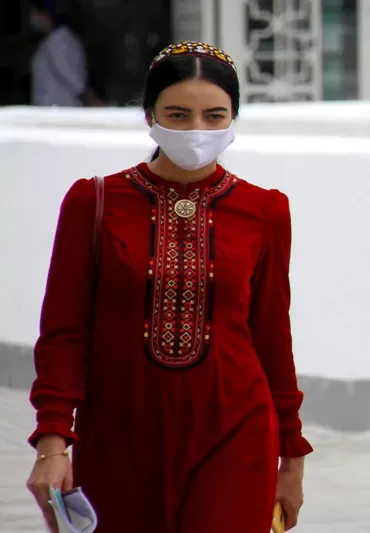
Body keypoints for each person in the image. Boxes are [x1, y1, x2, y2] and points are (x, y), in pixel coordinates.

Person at [26, 41, 312, 533]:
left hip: (235, 432)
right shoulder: (93, 202)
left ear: (234, 118)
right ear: (149, 115)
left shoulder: (266, 211)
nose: (196, 130)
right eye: (178, 114)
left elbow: (271, 341)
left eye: (214, 115)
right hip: (119, 435)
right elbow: (63, 333)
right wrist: (53, 440)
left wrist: (292, 458)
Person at [29, 0, 102, 107]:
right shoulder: (51, 41)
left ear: (46, 15)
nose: (34, 17)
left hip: (60, 111)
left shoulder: (59, 42)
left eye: (36, 13)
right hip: (50, 110)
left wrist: (92, 101)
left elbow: (74, 80)